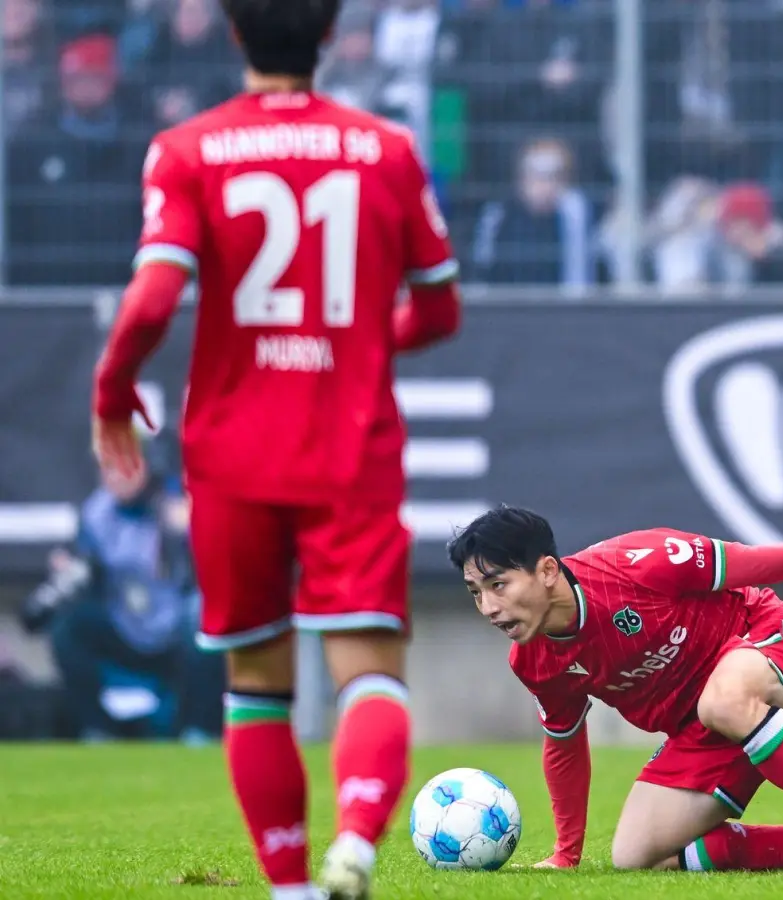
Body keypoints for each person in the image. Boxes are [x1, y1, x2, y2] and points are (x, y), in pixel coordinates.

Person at [89, 1, 463, 897]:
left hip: (232, 450)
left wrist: (112, 392)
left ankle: (290, 887)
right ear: (330, 36)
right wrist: (360, 343)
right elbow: (442, 310)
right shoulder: (388, 149)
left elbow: (150, 301)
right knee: (367, 669)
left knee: (256, 679)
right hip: (349, 447)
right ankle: (359, 842)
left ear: (233, 34)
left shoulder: (186, 150)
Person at [446, 506, 783, 876]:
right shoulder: (533, 661)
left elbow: (764, 563)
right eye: (476, 593)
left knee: (723, 699)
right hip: (706, 725)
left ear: (548, 571)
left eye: (499, 585)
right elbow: (564, 747)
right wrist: (565, 853)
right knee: (636, 856)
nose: (489, 607)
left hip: (781, 646)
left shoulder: (638, 561)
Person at [23, 435, 223, 744]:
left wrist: (190, 532)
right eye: (108, 467)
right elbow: (87, 570)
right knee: (69, 628)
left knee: (203, 614)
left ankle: (200, 730)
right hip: (126, 625)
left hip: (176, 628)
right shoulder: (96, 513)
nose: (116, 475)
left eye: (125, 465)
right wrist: (68, 570)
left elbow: (215, 566)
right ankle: (98, 730)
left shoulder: (177, 501)